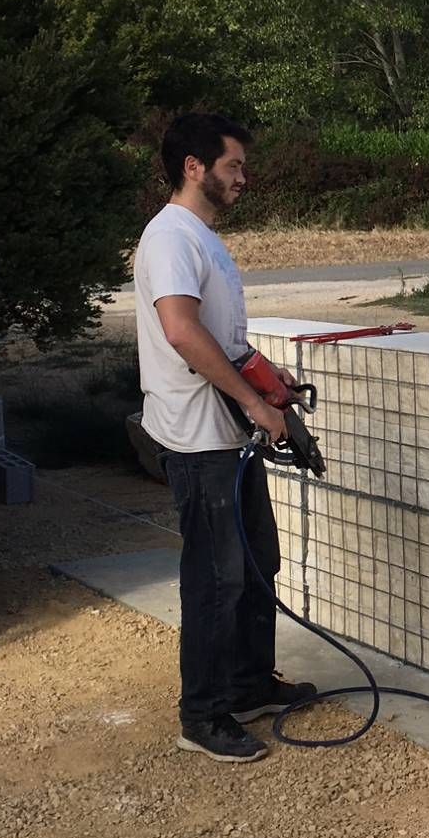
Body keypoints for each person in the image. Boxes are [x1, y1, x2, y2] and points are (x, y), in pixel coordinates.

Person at [133, 112, 316, 763]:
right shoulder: (170, 238)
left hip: (227, 435)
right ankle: (203, 716)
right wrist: (254, 403)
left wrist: (266, 376)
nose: (243, 177)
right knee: (215, 580)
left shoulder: (201, 237)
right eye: (233, 165)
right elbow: (181, 332)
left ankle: (247, 684)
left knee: (257, 560)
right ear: (194, 167)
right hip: (197, 438)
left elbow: (218, 337)